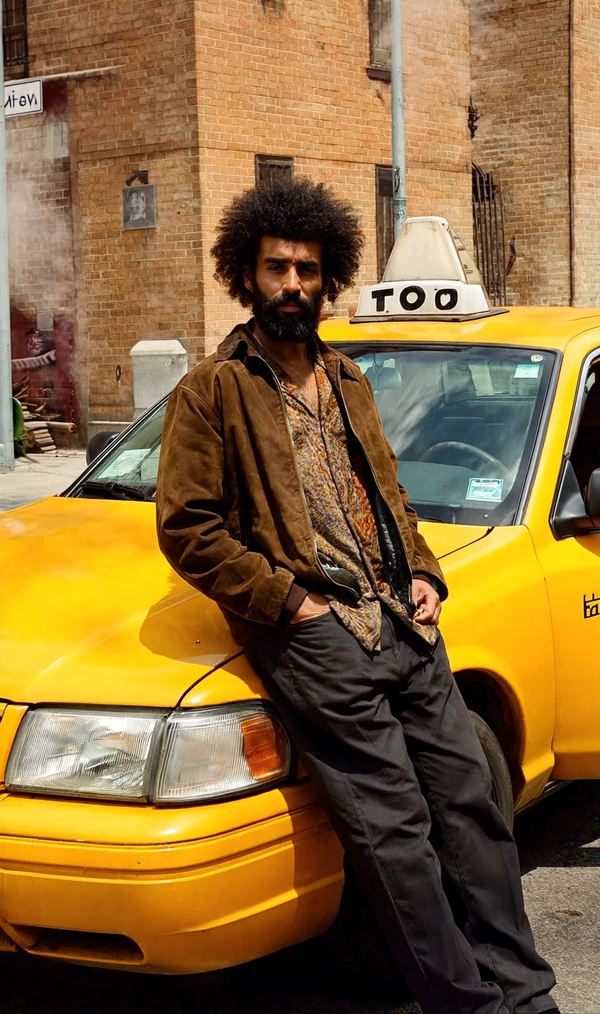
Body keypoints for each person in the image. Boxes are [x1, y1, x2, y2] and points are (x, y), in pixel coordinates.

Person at [156, 178, 558, 1014]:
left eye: (306, 269)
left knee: (474, 808)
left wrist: (422, 571)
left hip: (404, 624)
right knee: (397, 838)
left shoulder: (347, 377)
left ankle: (525, 993)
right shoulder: (213, 391)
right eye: (276, 269)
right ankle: (467, 1005)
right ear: (246, 275)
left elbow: (391, 495)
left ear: (328, 273)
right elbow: (188, 529)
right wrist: (286, 603)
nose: (293, 285)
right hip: (315, 637)